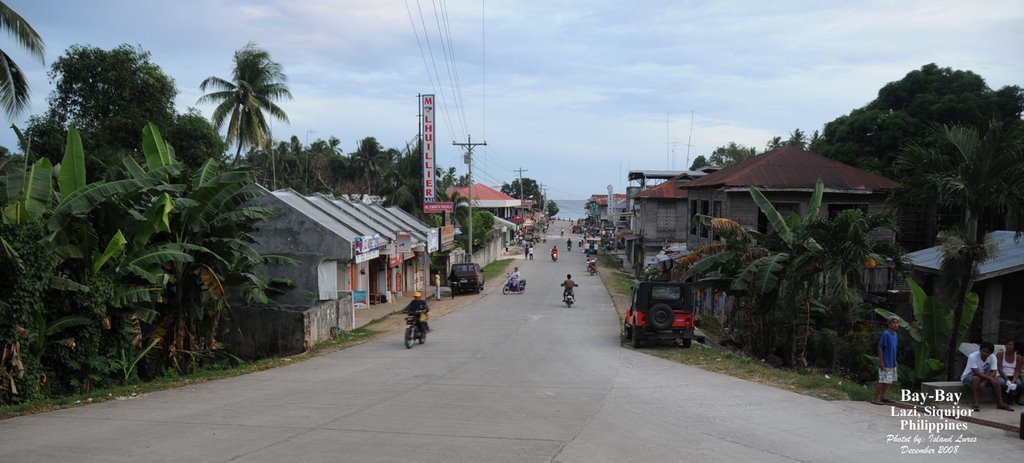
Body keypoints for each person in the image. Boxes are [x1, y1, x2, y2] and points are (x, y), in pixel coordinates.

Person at [961, 341, 1013, 411]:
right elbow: (976, 372)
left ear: (991, 353)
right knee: (977, 378)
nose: (985, 353)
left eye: (988, 352)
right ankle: (975, 403)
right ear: (980, 350)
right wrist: (990, 379)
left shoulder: (993, 357)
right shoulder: (972, 356)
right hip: (969, 376)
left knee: (996, 379)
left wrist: (984, 382)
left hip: (984, 377)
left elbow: (994, 371)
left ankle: (1000, 403)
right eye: (983, 351)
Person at [871, 317, 900, 405]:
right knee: (882, 380)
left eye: (897, 323)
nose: (896, 325)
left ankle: (883, 397)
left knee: (888, 381)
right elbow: (880, 347)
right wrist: (881, 361)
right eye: (894, 323)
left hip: (892, 362)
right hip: (886, 361)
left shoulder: (895, 334)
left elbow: (894, 348)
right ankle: (876, 399)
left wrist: (895, 361)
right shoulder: (886, 334)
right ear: (889, 324)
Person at [996, 339, 1024, 405]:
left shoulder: (1019, 357)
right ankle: (1006, 397)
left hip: (1012, 375)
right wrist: (1007, 380)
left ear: (1015, 347)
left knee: (1019, 384)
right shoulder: (1000, 354)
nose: (1008, 346)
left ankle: (1018, 397)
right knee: (1003, 383)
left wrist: (1013, 380)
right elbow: (999, 369)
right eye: (1007, 344)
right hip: (1001, 374)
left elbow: (1017, 371)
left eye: (1011, 345)